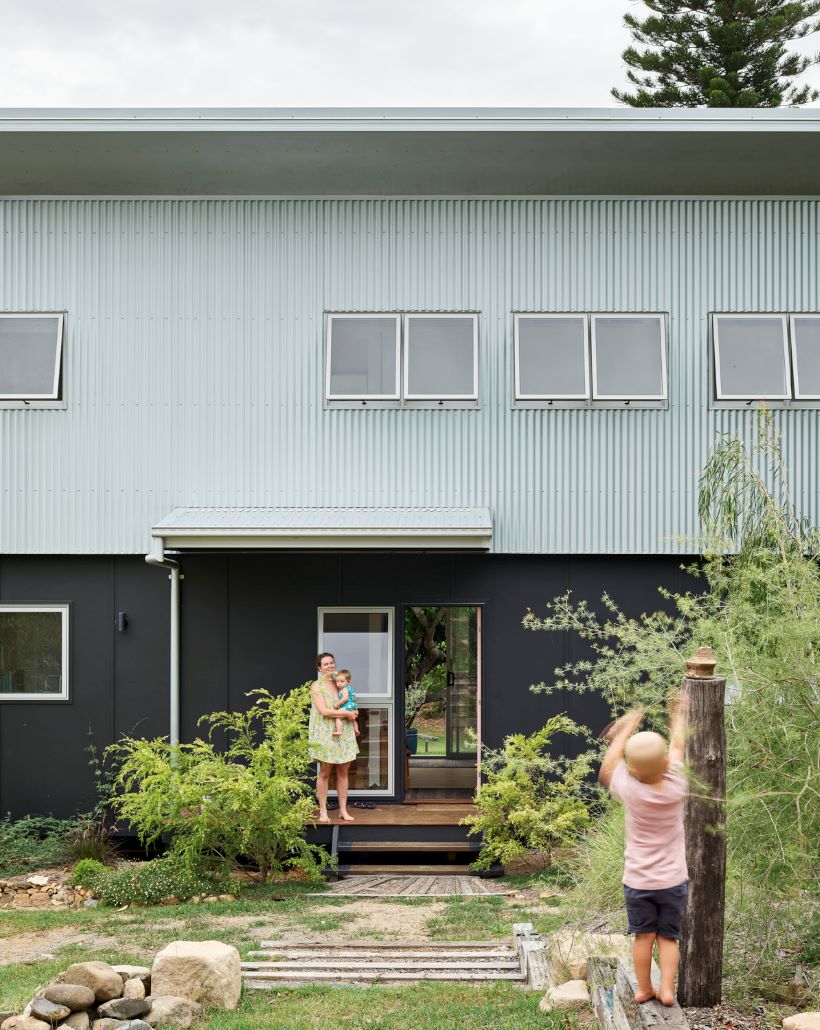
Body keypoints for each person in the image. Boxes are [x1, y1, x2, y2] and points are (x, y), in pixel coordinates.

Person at [598, 697, 688, 1007]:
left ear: (632, 769)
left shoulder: (630, 788)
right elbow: (677, 746)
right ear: (664, 763)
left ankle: (644, 989)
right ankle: (666, 989)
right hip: (673, 880)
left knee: (643, 937)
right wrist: (677, 714)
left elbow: (608, 767)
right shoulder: (677, 783)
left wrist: (625, 729)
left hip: (638, 881)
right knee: (668, 938)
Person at [308, 652, 359, 824]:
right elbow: (324, 711)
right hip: (326, 732)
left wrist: (353, 711)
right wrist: (346, 713)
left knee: (343, 771)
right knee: (324, 772)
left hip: (343, 731)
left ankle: (343, 810)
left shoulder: (340, 683)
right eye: (325, 664)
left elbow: (350, 700)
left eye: (331, 663)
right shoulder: (316, 686)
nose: (330, 666)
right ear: (319, 668)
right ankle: (323, 811)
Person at [332, 668, 360, 737]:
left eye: (342, 681)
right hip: (353, 706)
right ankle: (356, 729)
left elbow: (345, 698)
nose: (339, 683)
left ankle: (339, 731)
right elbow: (354, 698)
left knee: (338, 718)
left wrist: (337, 704)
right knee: (353, 720)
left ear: (348, 682)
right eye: (337, 681)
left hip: (347, 706)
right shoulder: (351, 688)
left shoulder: (344, 689)